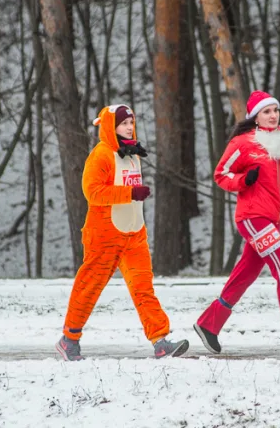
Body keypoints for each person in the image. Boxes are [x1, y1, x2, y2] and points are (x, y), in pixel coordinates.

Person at [55, 104, 189, 361]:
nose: (129, 127)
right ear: (110, 127)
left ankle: (160, 341)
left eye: (131, 123)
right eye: (124, 123)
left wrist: (135, 202)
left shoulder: (132, 155)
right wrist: (130, 193)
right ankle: (69, 339)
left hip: (133, 233)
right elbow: (92, 192)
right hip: (104, 234)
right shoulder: (101, 155)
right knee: (90, 287)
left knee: (143, 288)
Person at [194, 90, 280, 354]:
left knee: (246, 273)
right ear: (255, 117)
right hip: (253, 218)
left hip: (272, 220)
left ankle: (209, 324)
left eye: (275, 110)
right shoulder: (243, 142)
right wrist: (243, 181)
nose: (273, 115)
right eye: (267, 111)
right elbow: (221, 174)